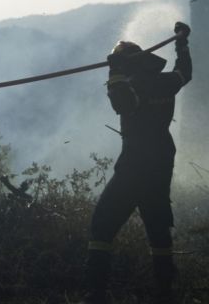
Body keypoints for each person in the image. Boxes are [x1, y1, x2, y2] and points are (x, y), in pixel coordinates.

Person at [82, 21, 192, 304]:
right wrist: (182, 43)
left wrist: (114, 71)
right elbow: (185, 72)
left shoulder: (132, 86)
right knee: (158, 230)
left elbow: (123, 104)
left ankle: (95, 294)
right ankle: (165, 293)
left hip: (134, 167)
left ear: (127, 64)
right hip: (161, 165)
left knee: (102, 225)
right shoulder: (166, 82)